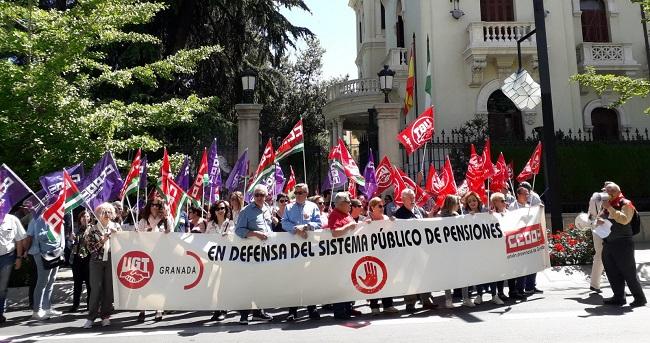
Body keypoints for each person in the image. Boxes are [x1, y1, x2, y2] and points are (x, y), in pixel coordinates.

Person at [599, 183, 646, 307]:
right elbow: (602, 218)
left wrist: (609, 208)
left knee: (628, 271)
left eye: (607, 192)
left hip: (623, 243)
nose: (604, 194)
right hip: (608, 242)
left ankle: (640, 298)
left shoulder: (625, 203)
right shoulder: (607, 204)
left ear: (614, 192)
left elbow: (625, 219)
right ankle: (619, 296)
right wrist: (598, 220)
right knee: (612, 270)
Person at [281, 183, 322, 321]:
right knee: (294, 279)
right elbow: (284, 223)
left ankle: (312, 308)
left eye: (300, 192)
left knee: (309, 278)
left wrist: (306, 226)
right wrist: (296, 229)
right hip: (293, 250)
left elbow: (318, 223)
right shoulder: (288, 207)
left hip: (309, 249)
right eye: (296, 193)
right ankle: (292, 310)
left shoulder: (313, 206)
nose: (297, 195)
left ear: (306, 193)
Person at [234, 184, 274, 324]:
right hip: (250, 253)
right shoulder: (246, 211)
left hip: (265, 252)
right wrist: (255, 234)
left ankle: (258, 312)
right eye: (256, 195)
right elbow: (239, 230)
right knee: (248, 284)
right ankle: (244, 315)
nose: (258, 197)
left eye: (261, 195)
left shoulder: (267, 209)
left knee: (262, 283)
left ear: (266, 196)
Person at [394, 188, 435, 312]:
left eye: (413, 197)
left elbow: (426, 221)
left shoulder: (419, 210)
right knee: (409, 276)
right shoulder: (399, 213)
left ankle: (426, 299)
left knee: (424, 275)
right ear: (403, 199)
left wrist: (431, 215)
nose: (413, 199)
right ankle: (410, 302)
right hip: (408, 251)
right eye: (410, 197)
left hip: (422, 249)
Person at [83, 203, 121, 328]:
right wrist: (103, 240)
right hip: (96, 262)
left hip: (111, 260)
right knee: (96, 289)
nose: (107, 215)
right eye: (104, 212)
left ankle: (105, 316)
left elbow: (125, 244)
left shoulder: (116, 226)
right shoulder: (91, 229)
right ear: (98, 214)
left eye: (109, 212)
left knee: (109, 290)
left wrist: (119, 236)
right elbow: (91, 249)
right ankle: (91, 317)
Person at [462, 192, 504, 306]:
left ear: (478, 201)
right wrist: (468, 218)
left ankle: (494, 295)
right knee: (479, 272)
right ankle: (479, 295)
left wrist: (491, 215)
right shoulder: (465, 214)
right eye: (469, 201)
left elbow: (495, 224)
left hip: (488, 249)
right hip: (475, 250)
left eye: (474, 200)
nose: (472, 203)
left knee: (492, 272)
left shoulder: (486, 212)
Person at [136, 197, 172, 322]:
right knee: (145, 283)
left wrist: (166, 218)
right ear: (149, 206)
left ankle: (159, 309)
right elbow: (137, 238)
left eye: (158, 205)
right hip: (146, 256)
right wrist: (146, 233)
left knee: (159, 284)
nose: (155, 207)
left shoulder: (165, 220)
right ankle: (142, 309)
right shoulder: (143, 221)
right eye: (153, 205)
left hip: (160, 255)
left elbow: (170, 233)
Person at [324, 192, 359, 320]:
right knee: (340, 283)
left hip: (348, 253)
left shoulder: (346, 214)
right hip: (339, 255)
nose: (350, 205)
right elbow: (334, 233)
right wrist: (349, 226)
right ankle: (339, 311)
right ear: (340, 204)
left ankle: (348, 308)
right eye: (348, 202)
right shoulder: (334, 215)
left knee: (348, 281)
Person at [438, 194, 474, 308]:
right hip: (446, 251)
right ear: (452, 204)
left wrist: (469, 218)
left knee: (464, 274)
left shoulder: (457, 215)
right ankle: (448, 300)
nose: (459, 205)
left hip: (459, 250)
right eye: (457, 203)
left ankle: (465, 298)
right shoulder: (440, 216)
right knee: (448, 276)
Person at [366, 197, 399, 315]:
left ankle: (388, 305)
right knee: (374, 280)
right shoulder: (367, 221)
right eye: (379, 206)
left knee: (387, 279)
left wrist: (393, 222)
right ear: (372, 208)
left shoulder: (386, 218)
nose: (382, 208)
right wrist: (366, 225)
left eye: (382, 206)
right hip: (373, 255)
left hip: (386, 255)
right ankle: (374, 306)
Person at [25, 216, 63, 320]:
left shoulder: (56, 217)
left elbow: (61, 234)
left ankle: (47, 308)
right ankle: (37, 310)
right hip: (41, 252)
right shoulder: (36, 219)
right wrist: (53, 233)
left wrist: (61, 246)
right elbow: (38, 236)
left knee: (51, 280)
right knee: (43, 281)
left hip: (55, 251)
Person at [586, 182, 613, 294]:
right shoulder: (600, 198)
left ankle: (594, 284)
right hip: (607, 230)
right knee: (612, 258)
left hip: (598, 229)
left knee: (599, 256)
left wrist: (596, 221)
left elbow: (590, 217)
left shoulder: (594, 198)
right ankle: (618, 287)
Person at [0, 213, 27, 324]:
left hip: (7, 256)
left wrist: (19, 257)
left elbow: (19, 239)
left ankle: (0, 312)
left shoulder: (12, 219)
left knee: (2, 287)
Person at [506, 187, 530, 300]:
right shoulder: (512, 207)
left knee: (523, 267)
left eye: (528, 194)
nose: (527, 196)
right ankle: (513, 291)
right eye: (525, 194)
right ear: (518, 195)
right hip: (515, 240)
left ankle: (521, 289)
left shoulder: (528, 207)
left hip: (524, 240)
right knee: (514, 268)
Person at [68, 210, 92, 313]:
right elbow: (69, 247)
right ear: (80, 219)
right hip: (77, 260)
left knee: (89, 283)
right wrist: (70, 239)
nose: (85, 218)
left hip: (88, 259)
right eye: (83, 217)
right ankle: (75, 304)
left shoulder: (92, 229)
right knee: (77, 283)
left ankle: (90, 304)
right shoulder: (75, 230)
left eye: (87, 216)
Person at [490, 192, 509, 301]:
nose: (504, 202)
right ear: (495, 202)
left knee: (504, 270)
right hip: (494, 247)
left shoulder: (509, 213)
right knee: (497, 271)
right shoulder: (489, 215)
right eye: (502, 200)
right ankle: (497, 293)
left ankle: (505, 291)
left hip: (506, 246)